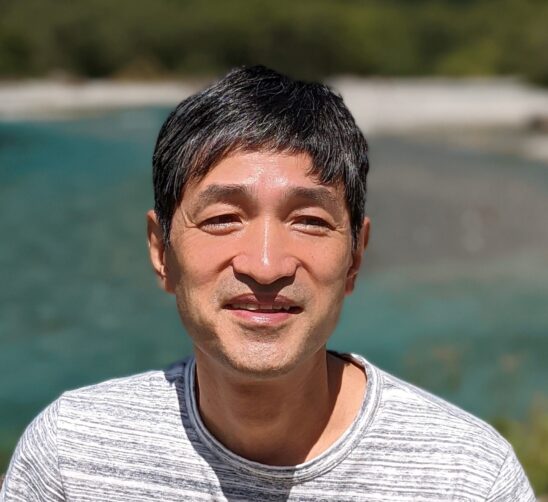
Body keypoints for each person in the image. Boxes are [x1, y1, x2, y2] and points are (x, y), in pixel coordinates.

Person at [0, 66, 535, 501]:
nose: (264, 265)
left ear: (355, 256)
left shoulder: (465, 478)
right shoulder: (72, 458)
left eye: (309, 221)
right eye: (222, 219)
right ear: (161, 251)